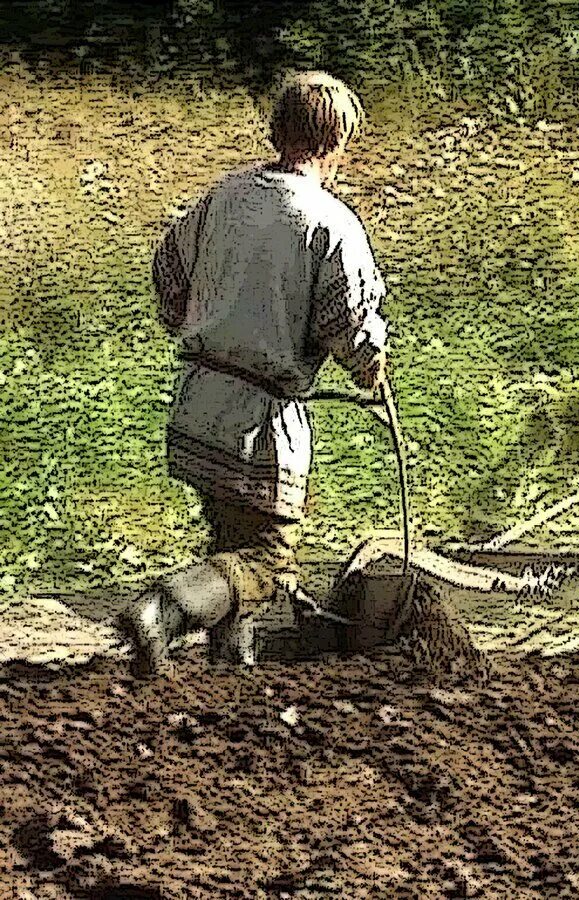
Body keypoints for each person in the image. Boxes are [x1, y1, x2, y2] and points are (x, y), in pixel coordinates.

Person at [118, 70, 390, 676]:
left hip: (196, 403)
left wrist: (196, 325)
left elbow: (168, 270)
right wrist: (370, 367)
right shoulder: (329, 221)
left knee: (230, 546)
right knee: (267, 564)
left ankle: (230, 668)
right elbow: (350, 324)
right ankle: (162, 611)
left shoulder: (223, 197)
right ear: (338, 141)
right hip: (257, 421)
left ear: (278, 130)